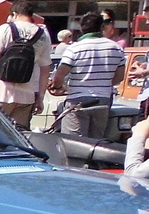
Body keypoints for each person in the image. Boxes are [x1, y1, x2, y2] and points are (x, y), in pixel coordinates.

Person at [50, 10, 126, 140]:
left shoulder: (75, 48)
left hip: (77, 101)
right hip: (103, 100)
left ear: (82, 28)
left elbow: (59, 75)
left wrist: (58, 86)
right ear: (101, 27)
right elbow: (119, 77)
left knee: (74, 143)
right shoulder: (116, 48)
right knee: (96, 144)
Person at [0, 0, 51, 130]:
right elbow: (45, 70)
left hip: (0, 92)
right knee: (19, 136)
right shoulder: (43, 34)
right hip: (27, 96)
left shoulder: (6, 28)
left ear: (14, 14)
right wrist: (40, 98)